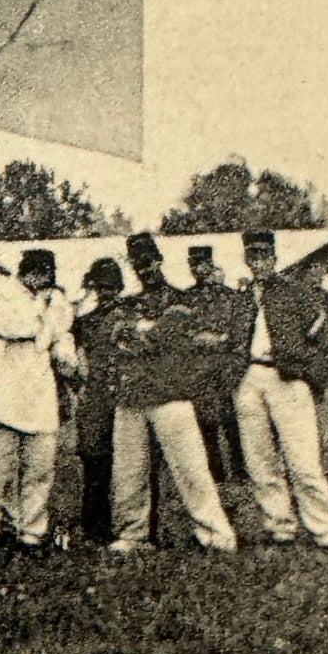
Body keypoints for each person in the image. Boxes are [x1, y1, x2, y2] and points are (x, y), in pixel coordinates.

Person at [108, 233, 238, 553]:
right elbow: (120, 341)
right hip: (134, 396)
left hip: (170, 394)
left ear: (159, 260)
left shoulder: (181, 300)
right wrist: (150, 336)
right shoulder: (128, 303)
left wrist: (145, 337)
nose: (144, 268)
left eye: (149, 261)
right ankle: (134, 534)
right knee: (128, 472)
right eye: (137, 263)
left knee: (192, 469)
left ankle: (216, 533)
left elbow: (176, 341)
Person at [232, 230, 328, 548]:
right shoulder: (241, 298)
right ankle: (279, 525)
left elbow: (325, 338)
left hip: (287, 378)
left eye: (264, 256)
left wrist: (311, 375)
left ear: (274, 258)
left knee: (302, 459)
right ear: (246, 259)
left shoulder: (296, 292)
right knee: (259, 460)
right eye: (253, 256)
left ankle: (326, 526)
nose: (259, 262)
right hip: (249, 378)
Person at [0, 249, 76, 550]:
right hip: (1, 396)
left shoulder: (54, 301)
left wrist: (57, 335)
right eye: (37, 272)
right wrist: (48, 318)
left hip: (39, 397)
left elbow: (61, 340)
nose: (41, 280)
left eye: (46, 274)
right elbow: (16, 328)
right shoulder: (0, 292)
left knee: (39, 469)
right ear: (26, 272)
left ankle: (31, 530)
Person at [71, 257, 126, 544]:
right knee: (94, 464)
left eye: (111, 288)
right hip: (94, 398)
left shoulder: (128, 316)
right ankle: (94, 527)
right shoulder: (85, 322)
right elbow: (69, 355)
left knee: (129, 463)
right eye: (101, 288)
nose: (106, 293)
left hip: (123, 396)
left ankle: (132, 527)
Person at [185, 242, 250, 480]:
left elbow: (237, 330)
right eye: (193, 265)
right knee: (205, 422)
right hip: (200, 368)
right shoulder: (187, 298)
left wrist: (218, 340)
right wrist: (202, 340)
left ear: (210, 264)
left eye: (202, 264)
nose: (198, 269)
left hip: (225, 366)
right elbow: (184, 333)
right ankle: (216, 471)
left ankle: (240, 468)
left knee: (232, 418)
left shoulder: (229, 296)